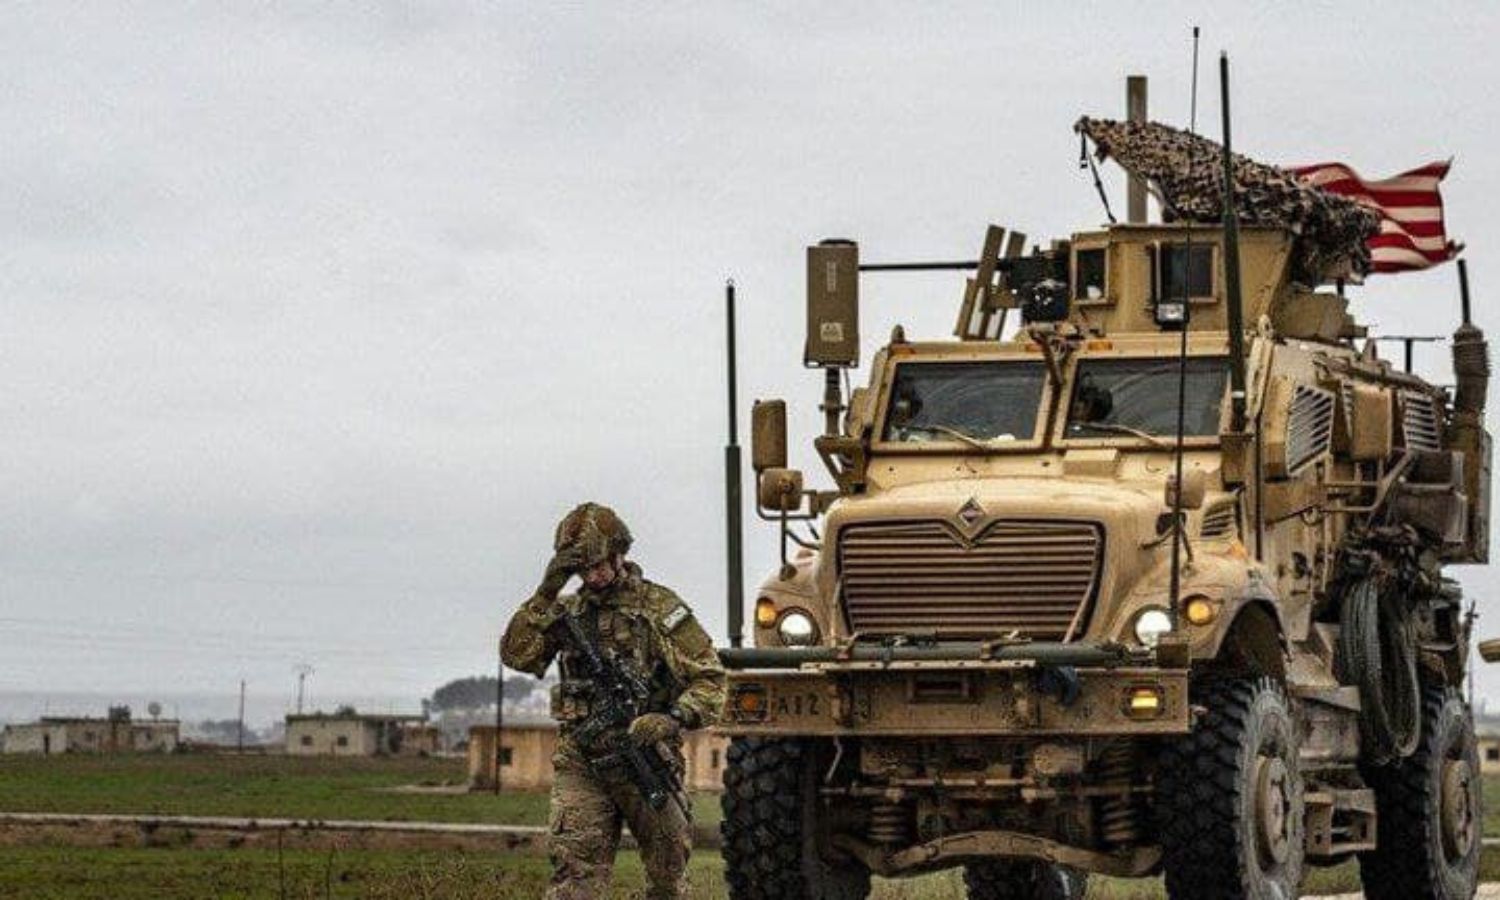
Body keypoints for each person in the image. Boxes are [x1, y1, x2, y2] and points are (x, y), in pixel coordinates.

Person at [501, 502, 725, 900]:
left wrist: (672, 718)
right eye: (582, 569)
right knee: (574, 881)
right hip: (582, 761)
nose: (593, 575)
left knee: (667, 878)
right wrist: (546, 591)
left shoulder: (659, 609)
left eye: (600, 564)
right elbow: (517, 655)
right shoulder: (565, 612)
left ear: (620, 553)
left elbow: (710, 680)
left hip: (645, 759)